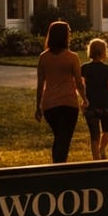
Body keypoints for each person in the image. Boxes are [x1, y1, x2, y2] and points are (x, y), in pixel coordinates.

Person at [35, 21, 87, 163]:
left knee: (59, 136)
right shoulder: (72, 57)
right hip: (68, 104)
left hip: (49, 105)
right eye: (68, 33)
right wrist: (85, 99)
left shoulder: (43, 57)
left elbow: (40, 84)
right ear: (64, 36)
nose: (70, 35)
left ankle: (57, 165)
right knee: (63, 138)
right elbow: (78, 82)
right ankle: (59, 167)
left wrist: (38, 107)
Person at [81, 38, 108, 160]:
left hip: (90, 105)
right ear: (104, 52)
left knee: (94, 135)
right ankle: (102, 149)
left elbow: (81, 86)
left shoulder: (85, 68)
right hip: (105, 104)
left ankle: (96, 159)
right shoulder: (107, 69)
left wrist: (83, 99)